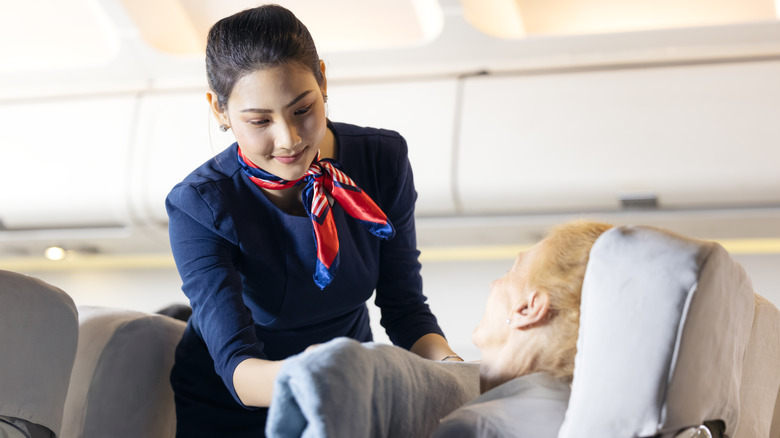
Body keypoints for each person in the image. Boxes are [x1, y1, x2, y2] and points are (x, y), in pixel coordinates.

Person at [165, 4, 460, 437]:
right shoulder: (200, 204)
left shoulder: (381, 160)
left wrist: (456, 372)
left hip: (347, 390)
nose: (290, 139)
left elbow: (406, 311)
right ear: (220, 111)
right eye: (260, 121)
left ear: (322, 78)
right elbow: (237, 367)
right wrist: (324, 376)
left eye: (302, 109)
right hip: (236, 406)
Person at [432, 220, 613, 438]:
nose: (493, 284)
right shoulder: (582, 424)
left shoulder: (476, 427)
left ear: (528, 309)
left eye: (510, 271)